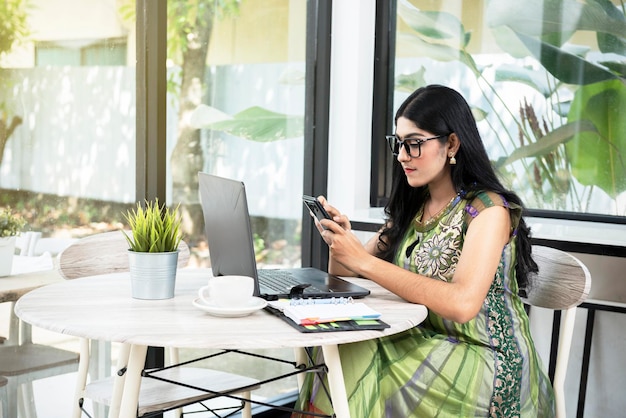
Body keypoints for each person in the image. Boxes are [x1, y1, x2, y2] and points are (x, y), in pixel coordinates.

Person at [295, 85, 555, 417]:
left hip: (483, 360)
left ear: (452, 144)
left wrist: (362, 259)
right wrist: (342, 244)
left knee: (349, 353)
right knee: (338, 344)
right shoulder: (414, 207)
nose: (402, 155)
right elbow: (346, 276)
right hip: (419, 340)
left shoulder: (488, 210)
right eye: (399, 143)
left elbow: (462, 305)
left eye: (414, 143)